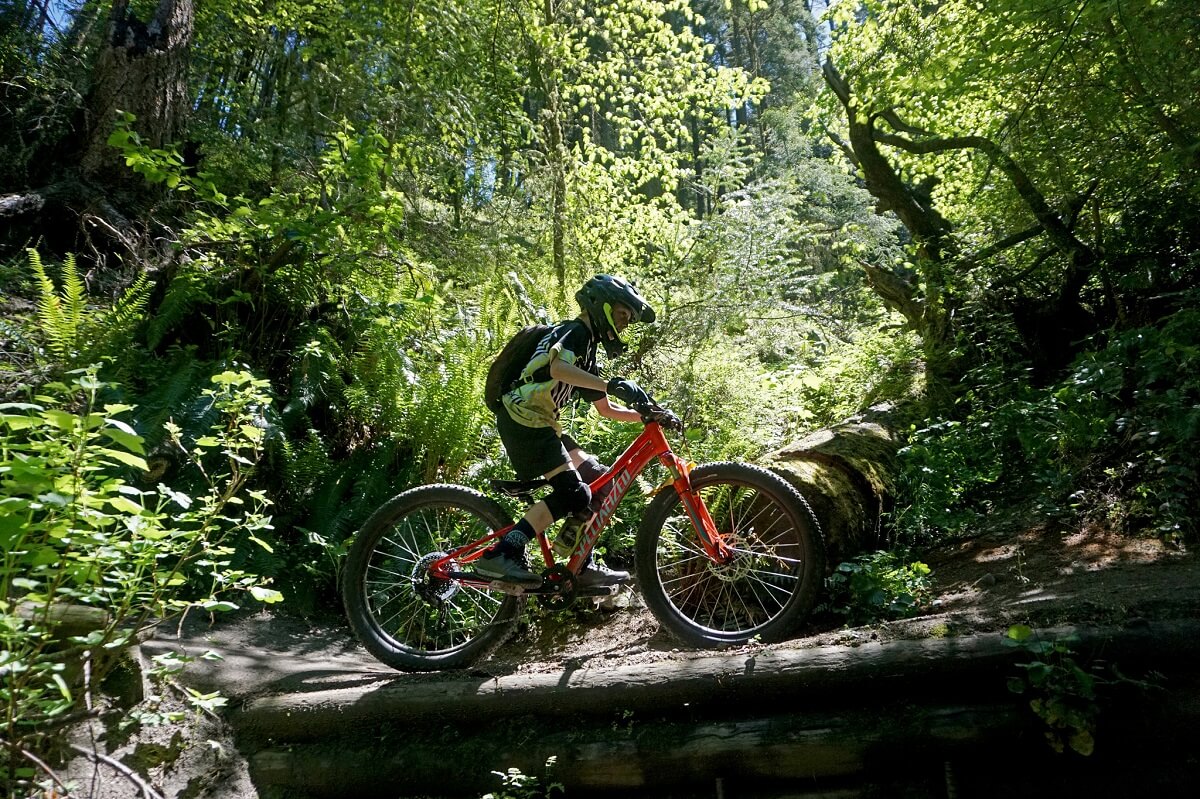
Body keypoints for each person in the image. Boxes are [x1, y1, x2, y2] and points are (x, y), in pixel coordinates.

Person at [476, 274, 655, 587]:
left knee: (600, 480)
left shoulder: (587, 351)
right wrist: (613, 385)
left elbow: (606, 409)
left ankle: (579, 564)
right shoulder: (575, 332)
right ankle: (501, 553)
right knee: (574, 492)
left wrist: (648, 415)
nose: (625, 323)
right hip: (524, 418)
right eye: (622, 314)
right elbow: (558, 369)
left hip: (541, 422)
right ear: (602, 306)